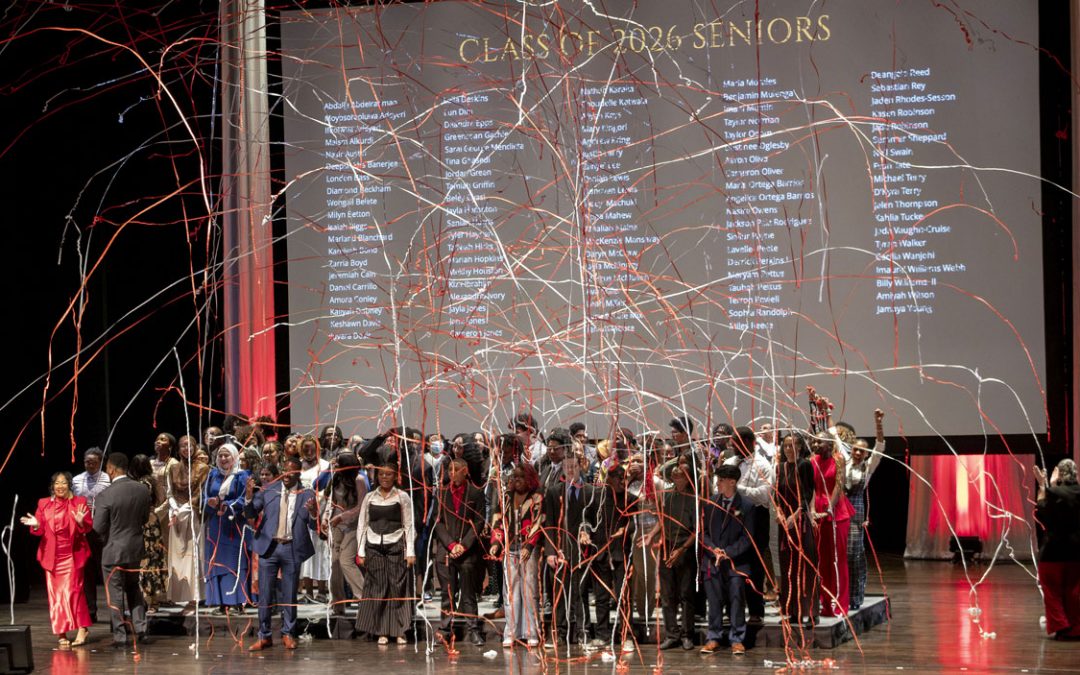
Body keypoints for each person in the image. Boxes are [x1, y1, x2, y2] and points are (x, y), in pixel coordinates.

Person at [245, 457, 318, 651]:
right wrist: (248, 496)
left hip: (291, 548)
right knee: (265, 595)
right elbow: (251, 514)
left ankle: (288, 633)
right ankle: (264, 635)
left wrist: (313, 513)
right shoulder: (269, 489)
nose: (287, 475)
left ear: (298, 473)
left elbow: (313, 525)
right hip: (269, 548)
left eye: (291, 472)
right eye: (284, 471)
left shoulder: (307, 493)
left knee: (289, 594)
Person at [21, 472, 93, 648]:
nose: (60, 486)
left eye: (63, 483)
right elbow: (39, 529)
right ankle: (62, 632)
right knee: (56, 596)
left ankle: (82, 628)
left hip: (72, 554)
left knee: (74, 592)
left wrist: (81, 522)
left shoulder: (79, 502)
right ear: (52, 486)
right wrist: (36, 525)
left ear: (69, 484)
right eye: (56, 483)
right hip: (52, 556)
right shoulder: (43, 503)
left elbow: (87, 528)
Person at [92, 452, 152, 647]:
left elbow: (98, 527)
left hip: (113, 551)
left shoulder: (105, 495)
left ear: (111, 469)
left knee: (115, 592)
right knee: (134, 588)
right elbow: (144, 519)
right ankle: (141, 628)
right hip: (135, 549)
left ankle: (120, 635)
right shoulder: (142, 490)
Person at [356, 462, 417, 645]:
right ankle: (381, 630)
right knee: (379, 588)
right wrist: (361, 551)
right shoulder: (369, 497)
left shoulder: (402, 496)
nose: (384, 477)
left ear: (395, 476)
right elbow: (362, 524)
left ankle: (400, 630)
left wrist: (410, 551)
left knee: (398, 588)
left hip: (396, 545)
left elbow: (409, 525)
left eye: (388, 474)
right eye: (381, 474)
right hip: (374, 545)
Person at [430, 454, 487, 646]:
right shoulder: (442, 493)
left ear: (465, 472)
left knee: (469, 595)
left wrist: (464, 545)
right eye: (450, 470)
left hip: (468, 552)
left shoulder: (476, 493)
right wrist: (452, 545)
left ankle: (474, 630)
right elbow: (438, 523)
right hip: (446, 551)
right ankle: (445, 630)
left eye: (456, 470)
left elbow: (478, 522)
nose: (452, 474)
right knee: (447, 594)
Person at [808, 392, 855, 618]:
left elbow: (839, 485)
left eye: (819, 441)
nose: (815, 443)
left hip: (835, 513)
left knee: (837, 560)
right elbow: (809, 487)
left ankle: (840, 604)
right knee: (821, 562)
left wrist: (827, 509)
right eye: (814, 440)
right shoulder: (812, 461)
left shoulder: (838, 458)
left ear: (829, 443)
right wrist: (811, 511)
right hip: (816, 512)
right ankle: (824, 604)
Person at [543, 450, 597, 648]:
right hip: (559, 549)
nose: (570, 470)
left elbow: (592, 520)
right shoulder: (553, 491)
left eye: (573, 467)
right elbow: (548, 522)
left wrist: (587, 531)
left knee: (580, 593)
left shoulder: (589, 491)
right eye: (567, 467)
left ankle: (583, 633)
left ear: (580, 467)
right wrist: (550, 551)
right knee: (559, 593)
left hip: (580, 550)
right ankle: (558, 633)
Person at [700, 464, 755, 656]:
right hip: (712, 561)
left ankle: (737, 638)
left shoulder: (746, 506)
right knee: (713, 601)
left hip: (735, 563)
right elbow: (703, 533)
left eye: (721, 480)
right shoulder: (710, 503)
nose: (718, 483)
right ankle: (713, 636)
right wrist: (713, 549)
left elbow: (747, 538)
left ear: (732, 482)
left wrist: (727, 553)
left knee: (736, 599)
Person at [582, 464, 637, 653]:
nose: (623, 482)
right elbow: (586, 518)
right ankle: (602, 636)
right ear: (609, 479)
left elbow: (635, 522)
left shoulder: (631, 499)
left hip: (620, 555)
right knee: (601, 597)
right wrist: (585, 531)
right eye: (619, 478)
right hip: (600, 553)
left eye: (625, 478)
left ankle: (626, 636)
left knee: (624, 598)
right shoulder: (596, 497)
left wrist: (626, 530)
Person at [647, 453, 699, 651]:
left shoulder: (693, 499)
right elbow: (662, 520)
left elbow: (697, 530)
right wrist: (652, 535)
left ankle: (687, 635)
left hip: (685, 547)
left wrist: (682, 549)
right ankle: (671, 634)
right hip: (668, 545)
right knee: (668, 594)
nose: (677, 478)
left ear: (688, 478)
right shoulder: (667, 496)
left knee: (686, 594)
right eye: (675, 475)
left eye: (681, 475)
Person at [489, 463, 543, 647]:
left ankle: (531, 632)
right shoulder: (506, 498)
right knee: (511, 592)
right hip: (510, 548)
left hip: (529, 551)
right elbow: (498, 521)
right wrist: (496, 543)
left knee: (529, 591)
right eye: (515, 477)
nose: (517, 480)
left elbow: (538, 523)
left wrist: (529, 545)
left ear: (529, 478)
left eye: (521, 477)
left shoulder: (536, 498)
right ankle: (511, 632)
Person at [724, 426, 773, 623]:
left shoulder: (762, 465)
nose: (732, 446)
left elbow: (765, 495)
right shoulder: (728, 462)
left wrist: (739, 490)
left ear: (748, 443)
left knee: (754, 564)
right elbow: (717, 487)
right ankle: (733, 611)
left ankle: (755, 611)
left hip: (755, 516)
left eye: (736, 442)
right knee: (731, 563)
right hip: (730, 516)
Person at [775, 432, 818, 629]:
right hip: (785, 523)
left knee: (805, 565)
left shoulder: (804, 465)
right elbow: (776, 495)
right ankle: (791, 611)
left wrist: (797, 513)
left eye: (792, 446)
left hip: (799, 521)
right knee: (787, 568)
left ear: (800, 447)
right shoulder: (780, 468)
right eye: (785, 446)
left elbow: (808, 492)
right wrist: (779, 513)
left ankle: (810, 612)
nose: (788, 449)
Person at [202, 443, 252, 614]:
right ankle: (221, 602)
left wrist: (229, 506)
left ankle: (238, 601)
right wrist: (209, 502)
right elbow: (205, 496)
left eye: (227, 456)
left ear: (234, 457)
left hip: (234, 525)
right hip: (216, 525)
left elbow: (244, 497)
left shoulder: (242, 475)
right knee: (217, 562)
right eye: (221, 456)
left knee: (235, 561)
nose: (223, 459)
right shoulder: (212, 475)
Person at [1034, 458, 1080, 640]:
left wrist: (1044, 485)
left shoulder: (1053, 492)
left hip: (1053, 551)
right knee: (1074, 591)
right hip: (1076, 552)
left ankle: (1061, 627)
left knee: (1052, 590)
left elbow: (1042, 511)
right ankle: (1075, 628)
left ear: (1059, 473)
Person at [844, 409, 885, 610]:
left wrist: (878, 422)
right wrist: (823, 412)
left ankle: (855, 597)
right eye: (855, 450)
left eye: (862, 451)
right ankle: (839, 595)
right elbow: (834, 435)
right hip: (839, 511)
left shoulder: (867, 468)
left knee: (854, 555)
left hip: (855, 512)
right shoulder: (844, 463)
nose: (858, 453)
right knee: (838, 555)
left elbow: (880, 446)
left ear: (866, 454)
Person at [324, 452, 368, 617]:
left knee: (345, 561)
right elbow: (331, 502)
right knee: (334, 563)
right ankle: (338, 604)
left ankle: (364, 598)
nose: (335, 466)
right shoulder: (336, 478)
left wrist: (342, 517)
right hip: (336, 526)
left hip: (353, 526)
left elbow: (361, 507)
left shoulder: (359, 480)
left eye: (338, 464)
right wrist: (325, 518)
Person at [166, 434, 206, 610]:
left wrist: (184, 509)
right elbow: (169, 492)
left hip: (193, 514)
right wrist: (174, 509)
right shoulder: (173, 467)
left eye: (190, 445)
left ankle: (195, 596)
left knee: (193, 555)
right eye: (183, 445)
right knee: (177, 556)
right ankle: (177, 595)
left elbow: (200, 493)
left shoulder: (203, 468)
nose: (186, 448)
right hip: (176, 515)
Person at [72, 447, 110, 622]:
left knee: (106, 570)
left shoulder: (107, 478)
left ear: (100, 462)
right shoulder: (77, 480)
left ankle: (114, 611)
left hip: (102, 529)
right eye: (87, 461)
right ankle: (91, 610)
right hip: (83, 529)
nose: (90, 464)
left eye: (93, 462)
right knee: (86, 571)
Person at [127, 455, 168, 614]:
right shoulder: (151, 481)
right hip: (151, 522)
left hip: (145, 524)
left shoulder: (143, 484)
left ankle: (151, 601)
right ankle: (150, 600)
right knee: (152, 561)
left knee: (148, 561)